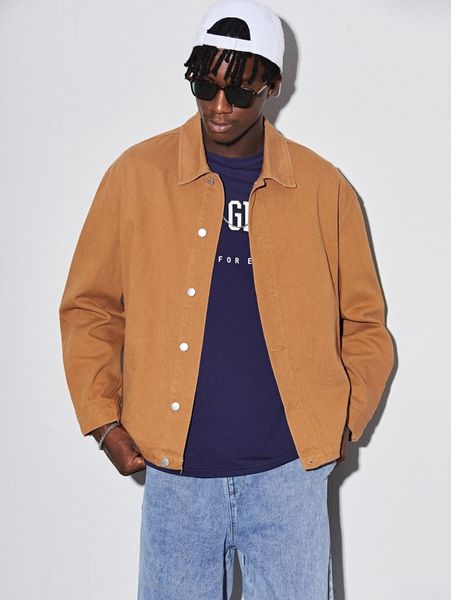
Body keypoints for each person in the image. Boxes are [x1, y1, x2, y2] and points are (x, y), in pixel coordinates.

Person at [58, 1, 394, 598]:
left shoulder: (324, 189)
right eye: (204, 86)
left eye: (239, 93)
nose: (218, 107)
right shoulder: (136, 177)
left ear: (272, 87)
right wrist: (104, 422)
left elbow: (364, 322)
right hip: (176, 474)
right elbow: (90, 308)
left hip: (290, 475)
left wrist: (340, 424)